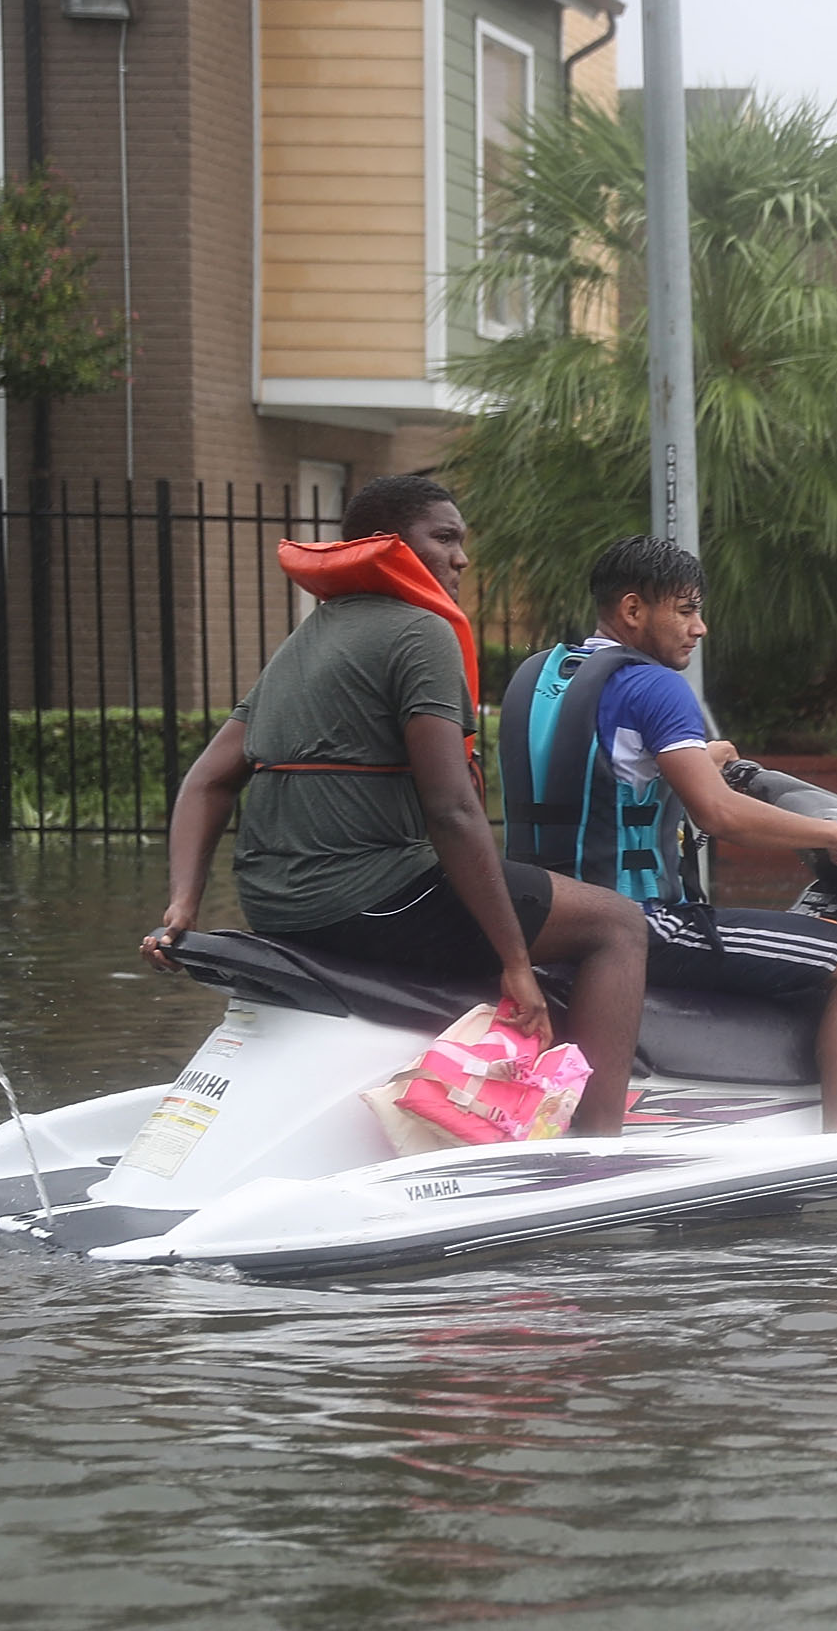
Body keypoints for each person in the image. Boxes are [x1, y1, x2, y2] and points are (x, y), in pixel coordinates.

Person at [144, 474, 648, 1139]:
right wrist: (515, 962)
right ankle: (599, 1147)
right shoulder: (421, 632)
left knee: (529, 902)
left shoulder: (305, 639)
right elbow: (451, 811)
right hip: (371, 898)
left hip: (275, 907)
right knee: (616, 923)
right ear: (388, 545)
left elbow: (208, 778)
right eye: (444, 539)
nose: (461, 558)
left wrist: (184, 902)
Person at [503, 535, 837, 1132]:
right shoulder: (655, 687)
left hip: (544, 911)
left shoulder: (541, 675)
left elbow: (597, 768)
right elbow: (720, 815)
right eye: (684, 610)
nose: (700, 627)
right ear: (634, 611)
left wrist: (695, 757)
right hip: (638, 925)